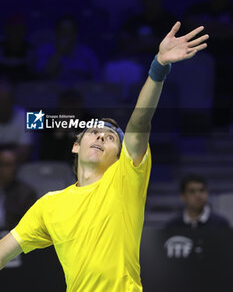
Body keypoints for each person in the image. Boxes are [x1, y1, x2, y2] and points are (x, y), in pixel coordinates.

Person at [0, 21, 208, 291]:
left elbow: (140, 122)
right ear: (76, 146)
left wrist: (158, 68)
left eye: (110, 138)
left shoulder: (125, 179)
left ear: (119, 156)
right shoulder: (49, 205)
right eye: (94, 132)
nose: (100, 136)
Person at [36, 16, 99, 86]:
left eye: (69, 31)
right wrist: (59, 52)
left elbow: (96, 79)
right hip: (51, 93)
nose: (65, 35)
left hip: (81, 93)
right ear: (56, 33)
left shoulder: (87, 53)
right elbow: (44, 75)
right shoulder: (45, 50)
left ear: (75, 34)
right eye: (62, 31)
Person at [166, 174, 230, 229]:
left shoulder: (221, 224)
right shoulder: (172, 226)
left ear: (207, 193)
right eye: (192, 191)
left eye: (201, 190)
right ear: (183, 196)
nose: (198, 195)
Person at [0, 148, 37, 231]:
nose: (13, 169)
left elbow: (28, 226)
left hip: (10, 237)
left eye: (14, 164)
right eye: (7, 165)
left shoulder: (26, 193)